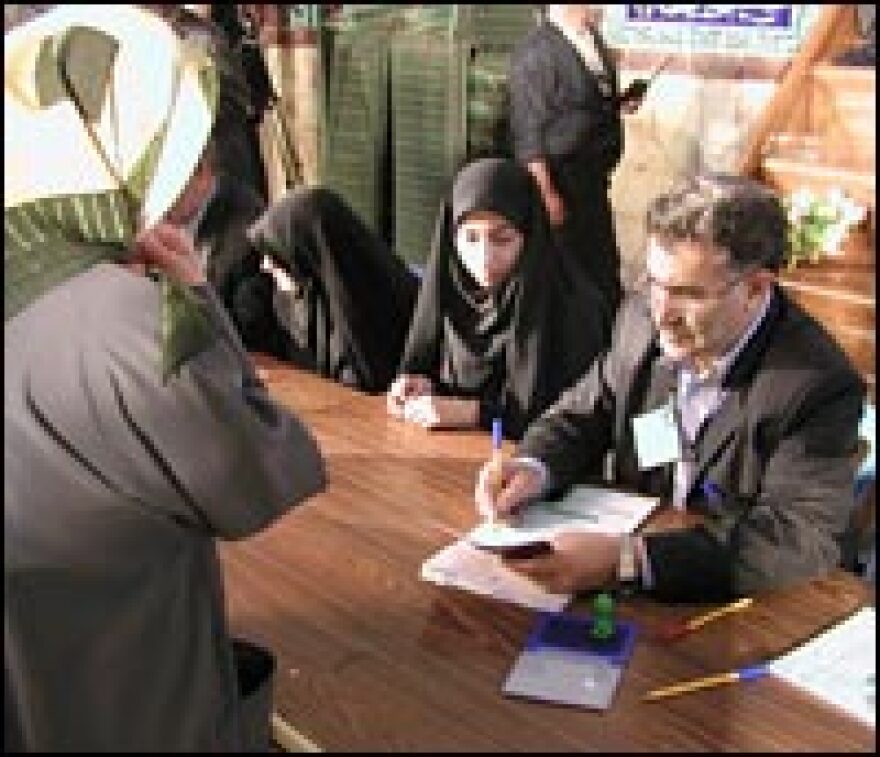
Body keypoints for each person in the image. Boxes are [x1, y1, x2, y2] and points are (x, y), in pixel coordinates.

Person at [5, 6, 325, 751]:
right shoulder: (134, 318)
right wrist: (196, 296)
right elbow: (267, 472)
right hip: (128, 688)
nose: (199, 178)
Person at [474, 173, 865, 601]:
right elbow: (583, 413)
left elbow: (795, 540)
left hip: (743, 608)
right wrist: (531, 469)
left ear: (755, 289)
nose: (662, 314)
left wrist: (630, 560)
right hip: (624, 589)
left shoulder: (816, 385)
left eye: (687, 293)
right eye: (654, 282)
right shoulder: (641, 319)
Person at [388, 158, 612, 441]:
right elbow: (427, 366)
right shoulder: (451, 294)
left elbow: (576, 418)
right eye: (470, 238)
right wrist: (418, 385)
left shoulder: (573, 307)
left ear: (529, 234)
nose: (484, 258)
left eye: (502, 239)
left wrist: (474, 413)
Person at [508, 4, 645, 315]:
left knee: (602, 270)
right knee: (573, 276)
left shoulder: (592, 39)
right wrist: (546, 193)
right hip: (560, 182)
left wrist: (619, 104)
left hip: (593, 181)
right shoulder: (537, 52)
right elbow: (528, 132)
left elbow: (582, 101)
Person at [232, 186, 421, 393]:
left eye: (276, 256)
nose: (265, 266)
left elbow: (369, 381)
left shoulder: (376, 306)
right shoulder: (292, 299)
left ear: (307, 257)